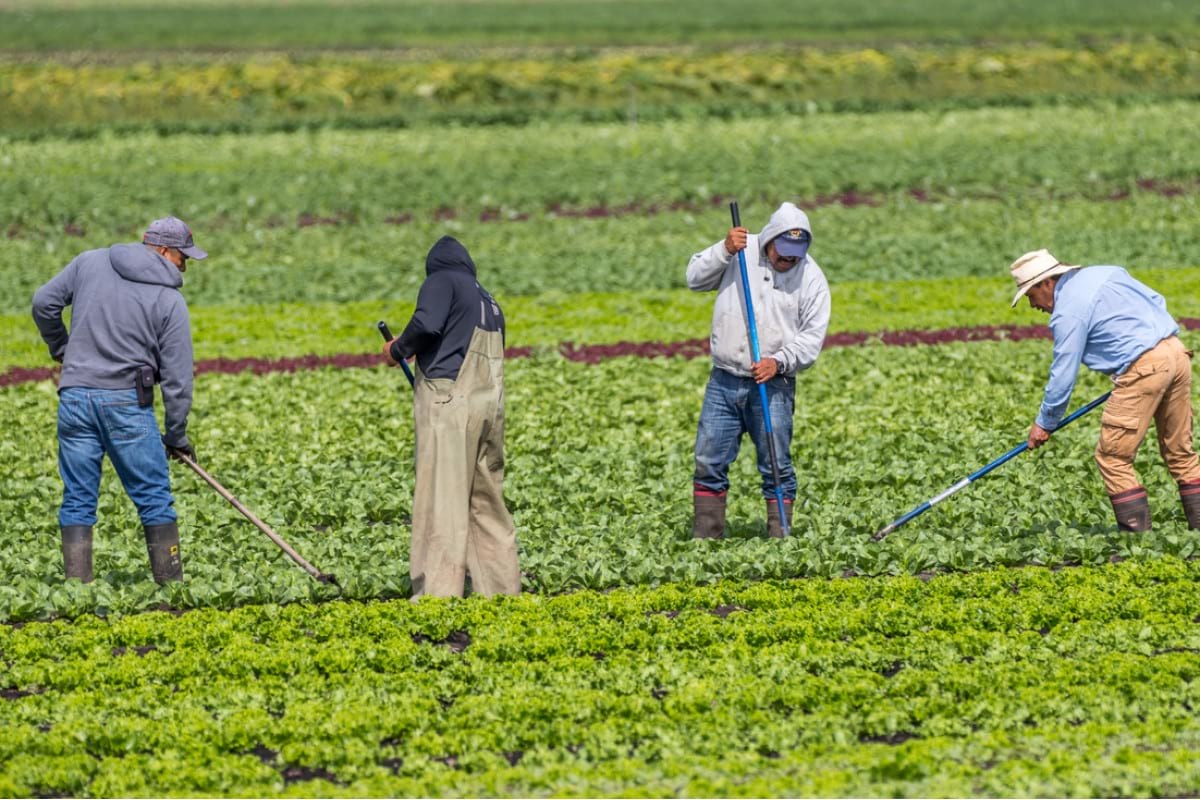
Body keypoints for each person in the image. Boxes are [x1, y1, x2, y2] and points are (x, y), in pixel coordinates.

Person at [32, 216, 206, 583]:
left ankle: (76, 589)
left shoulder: (88, 262)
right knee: (154, 497)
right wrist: (176, 436)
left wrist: (63, 349)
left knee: (78, 497)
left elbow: (43, 303)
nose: (185, 265)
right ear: (162, 250)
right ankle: (173, 589)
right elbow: (177, 381)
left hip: (74, 399)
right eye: (183, 257)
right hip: (126, 404)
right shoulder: (170, 301)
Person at [1011, 248, 1200, 531]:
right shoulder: (1107, 271)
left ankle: (1137, 544)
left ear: (1045, 283)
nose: (1032, 305)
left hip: (1144, 367)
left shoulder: (1068, 312)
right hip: (1176, 352)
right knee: (1180, 451)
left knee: (1113, 457)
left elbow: (1063, 374)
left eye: (1030, 295)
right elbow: (1156, 301)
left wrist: (1044, 423)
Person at [381, 235, 521, 598]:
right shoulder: (488, 301)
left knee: (441, 499)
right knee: (486, 501)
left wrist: (398, 349)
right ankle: (501, 590)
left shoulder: (441, 281)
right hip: (489, 407)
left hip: (450, 404)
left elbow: (427, 324)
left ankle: (437, 596)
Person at [686, 202, 831, 539]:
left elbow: (811, 338)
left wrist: (778, 361)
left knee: (776, 465)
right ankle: (705, 540)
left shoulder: (812, 278)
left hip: (773, 383)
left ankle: (780, 539)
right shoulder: (740, 250)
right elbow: (694, 279)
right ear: (768, 239)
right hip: (724, 380)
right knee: (709, 460)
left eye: (796, 253)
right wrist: (723, 250)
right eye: (783, 252)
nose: (789, 260)